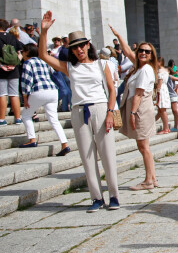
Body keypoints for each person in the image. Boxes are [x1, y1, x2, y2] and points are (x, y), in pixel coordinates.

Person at [38, 12, 119, 211]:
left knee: (107, 153)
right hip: (79, 111)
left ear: (88, 46)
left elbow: (111, 89)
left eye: (82, 45)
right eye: (75, 47)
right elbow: (43, 55)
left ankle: (114, 195)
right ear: (72, 50)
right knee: (87, 155)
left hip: (100, 108)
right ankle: (96, 198)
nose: (79, 49)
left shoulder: (102, 64)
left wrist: (110, 112)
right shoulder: (69, 68)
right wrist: (44, 32)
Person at [110, 25, 158, 191]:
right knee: (144, 146)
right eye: (140, 51)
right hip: (139, 107)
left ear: (152, 55)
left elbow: (138, 94)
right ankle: (152, 177)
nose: (143, 53)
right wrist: (118, 35)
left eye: (147, 51)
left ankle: (148, 181)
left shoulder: (145, 70)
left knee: (143, 146)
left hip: (140, 108)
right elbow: (128, 51)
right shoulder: (140, 67)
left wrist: (132, 113)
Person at [19, 43, 71, 156]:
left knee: (26, 115)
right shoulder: (44, 61)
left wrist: (25, 97)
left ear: (27, 52)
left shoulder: (28, 62)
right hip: (52, 90)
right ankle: (64, 144)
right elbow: (53, 73)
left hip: (39, 90)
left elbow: (26, 80)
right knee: (54, 119)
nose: (22, 53)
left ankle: (32, 139)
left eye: (23, 51)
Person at [155, 57, 171, 134]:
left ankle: (166, 128)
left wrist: (156, 93)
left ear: (159, 62)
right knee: (160, 110)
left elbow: (159, 84)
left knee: (162, 110)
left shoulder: (160, 71)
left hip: (161, 90)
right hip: (165, 89)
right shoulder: (166, 71)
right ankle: (152, 124)